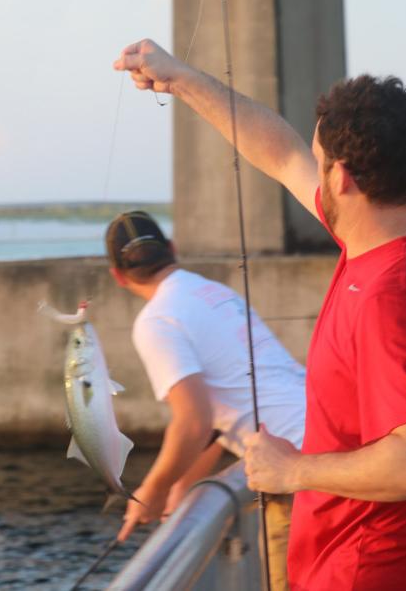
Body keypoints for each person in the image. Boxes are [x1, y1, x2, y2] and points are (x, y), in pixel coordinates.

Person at [113, 39, 406, 590]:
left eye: (322, 164)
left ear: (342, 177)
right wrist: (180, 79)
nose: (312, 170)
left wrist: (291, 469)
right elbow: (281, 155)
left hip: (386, 573)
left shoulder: (391, 293)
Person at [106, 210, 307, 590]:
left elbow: (193, 421)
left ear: (117, 275)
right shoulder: (214, 293)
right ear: (172, 250)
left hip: (296, 469)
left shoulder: (156, 320)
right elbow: (218, 413)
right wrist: (182, 488)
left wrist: (153, 490)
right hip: (328, 445)